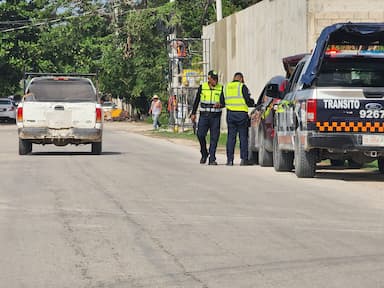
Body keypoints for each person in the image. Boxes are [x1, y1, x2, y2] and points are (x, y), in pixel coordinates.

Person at [190, 70, 225, 165]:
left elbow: (224, 103)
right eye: (213, 79)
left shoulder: (221, 88)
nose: (215, 81)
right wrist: (193, 113)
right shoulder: (202, 87)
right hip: (204, 115)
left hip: (215, 116)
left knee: (214, 137)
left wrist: (220, 105)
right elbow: (197, 100)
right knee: (200, 135)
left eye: (216, 79)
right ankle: (204, 153)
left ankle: (212, 158)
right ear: (209, 78)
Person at [224, 72, 255, 166]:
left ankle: (229, 160)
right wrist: (253, 103)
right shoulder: (242, 87)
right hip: (241, 115)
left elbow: (222, 100)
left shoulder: (226, 87)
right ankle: (244, 159)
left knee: (231, 138)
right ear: (241, 79)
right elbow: (247, 100)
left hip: (230, 114)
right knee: (243, 137)